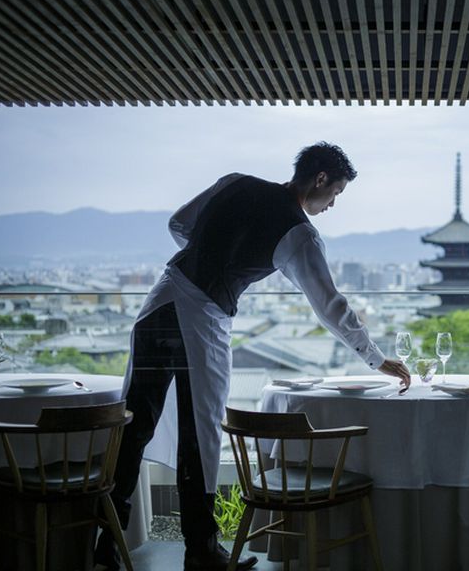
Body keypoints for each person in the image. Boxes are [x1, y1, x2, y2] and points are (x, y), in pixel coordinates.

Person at [95, 142, 411, 570]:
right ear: (319, 180)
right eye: (335, 193)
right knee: (201, 435)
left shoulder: (235, 182)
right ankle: (201, 551)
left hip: (159, 303)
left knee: (133, 425)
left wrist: (214, 252)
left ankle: (106, 546)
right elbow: (329, 304)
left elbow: (179, 224)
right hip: (199, 316)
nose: (333, 204)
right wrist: (376, 359)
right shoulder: (299, 233)